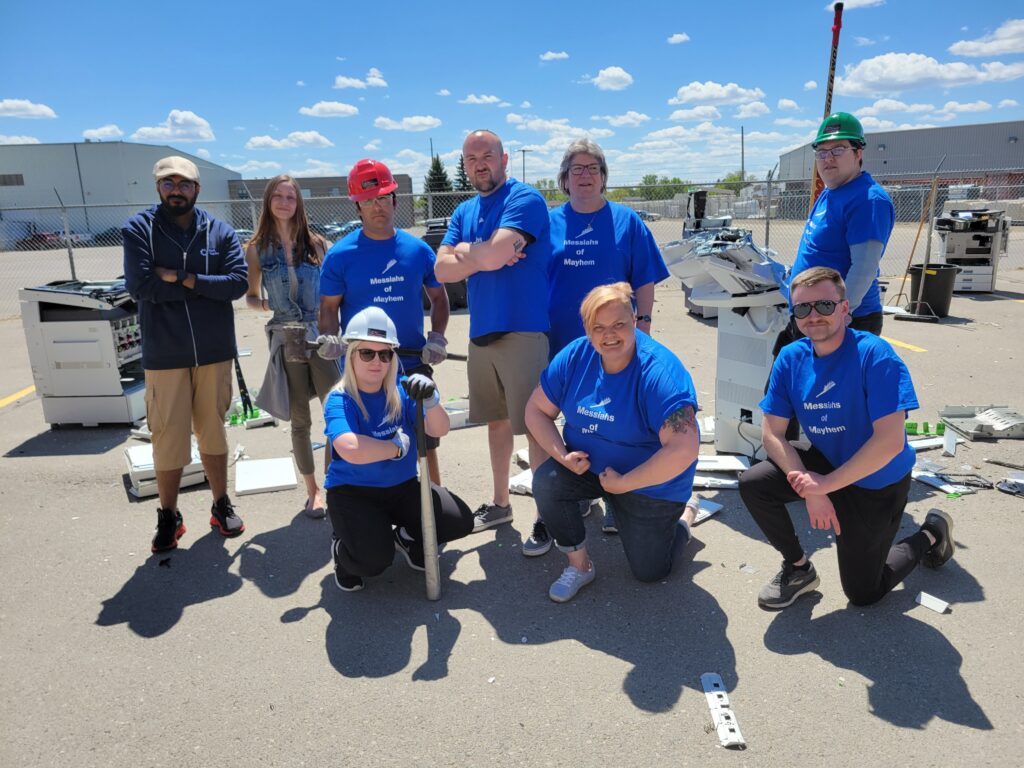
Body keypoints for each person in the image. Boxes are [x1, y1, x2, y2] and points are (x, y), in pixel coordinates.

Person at [739, 267, 955, 610]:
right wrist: (806, 483)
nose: (813, 316)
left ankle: (931, 535)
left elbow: (889, 442)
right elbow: (773, 433)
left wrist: (823, 487)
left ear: (844, 308)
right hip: (829, 461)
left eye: (824, 305)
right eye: (802, 309)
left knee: (863, 593)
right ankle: (798, 569)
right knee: (754, 482)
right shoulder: (791, 357)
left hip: (878, 478)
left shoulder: (875, 355)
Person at [525, 283, 701, 602]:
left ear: (635, 320)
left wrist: (625, 483)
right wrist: (562, 456)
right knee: (547, 481)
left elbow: (684, 448)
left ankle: (685, 518)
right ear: (587, 330)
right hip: (591, 468)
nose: (610, 335)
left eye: (619, 324)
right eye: (599, 327)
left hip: (648, 482)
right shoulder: (576, 355)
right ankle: (579, 566)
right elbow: (536, 409)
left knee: (650, 572)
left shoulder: (659, 371)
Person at [122, 156, 249, 552]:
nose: (176, 189)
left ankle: (220, 502)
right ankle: (169, 514)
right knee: (168, 437)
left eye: (184, 183)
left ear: (197, 188)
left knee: (213, 431)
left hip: (213, 350)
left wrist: (181, 277)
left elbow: (238, 284)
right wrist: (204, 288)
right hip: (165, 352)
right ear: (157, 187)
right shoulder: (140, 229)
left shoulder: (220, 232)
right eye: (168, 183)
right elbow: (142, 287)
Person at [546, 138, 670, 541]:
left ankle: (623, 495)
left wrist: (644, 324)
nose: (585, 175)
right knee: (578, 416)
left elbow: (645, 277)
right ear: (564, 179)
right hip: (564, 339)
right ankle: (580, 489)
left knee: (622, 414)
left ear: (604, 177)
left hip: (617, 339)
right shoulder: (549, 222)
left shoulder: (626, 221)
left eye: (592, 168)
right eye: (576, 169)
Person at [434, 129, 552, 537]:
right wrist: (481, 256)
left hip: (523, 329)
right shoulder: (464, 211)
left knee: (536, 426)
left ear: (504, 159)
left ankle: (547, 516)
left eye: (487, 155)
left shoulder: (525, 199)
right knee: (497, 423)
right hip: (482, 334)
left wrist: (472, 253)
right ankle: (501, 505)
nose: (480, 164)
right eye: (471, 158)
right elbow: (441, 269)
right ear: (465, 166)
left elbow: (492, 254)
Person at [323, 307, 475, 592]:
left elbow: (439, 429)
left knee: (459, 522)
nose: (377, 361)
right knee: (374, 561)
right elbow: (350, 449)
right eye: (367, 353)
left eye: (385, 353)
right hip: (354, 492)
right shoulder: (339, 399)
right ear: (351, 354)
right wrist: (394, 448)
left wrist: (430, 401)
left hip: (402, 486)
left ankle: (405, 538)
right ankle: (343, 554)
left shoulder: (404, 389)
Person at [318, 158, 450, 484]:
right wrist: (329, 338)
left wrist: (437, 337)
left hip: (410, 360)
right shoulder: (341, 255)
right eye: (368, 200)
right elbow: (328, 309)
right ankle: (344, 503)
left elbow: (439, 298)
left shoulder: (418, 251)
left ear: (394, 200)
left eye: (383, 198)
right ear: (357, 207)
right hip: (363, 362)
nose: (377, 206)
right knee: (349, 434)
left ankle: (432, 502)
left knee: (423, 438)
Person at [243, 175, 337, 519]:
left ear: (299, 204)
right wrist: (266, 307)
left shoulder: (318, 245)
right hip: (288, 337)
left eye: (291, 197)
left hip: (319, 335)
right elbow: (251, 297)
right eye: (279, 196)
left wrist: (335, 334)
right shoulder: (255, 249)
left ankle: (335, 483)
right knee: (300, 418)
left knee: (336, 410)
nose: (285, 202)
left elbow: (331, 296)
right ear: (269, 201)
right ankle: (313, 492)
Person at [778, 111, 894, 351]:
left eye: (838, 150)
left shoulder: (867, 199)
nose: (828, 158)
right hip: (811, 317)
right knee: (785, 382)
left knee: (828, 389)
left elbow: (864, 268)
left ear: (858, 153)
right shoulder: (831, 193)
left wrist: (838, 318)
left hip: (838, 322)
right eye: (821, 152)